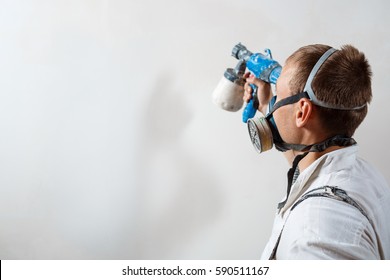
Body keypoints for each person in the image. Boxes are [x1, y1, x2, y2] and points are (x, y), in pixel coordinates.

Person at [243, 44, 390, 259]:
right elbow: (305, 158)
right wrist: (266, 105)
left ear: (302, 111)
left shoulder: (314, 236)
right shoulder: (362, 175)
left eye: (279, 97)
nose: (274, 107)